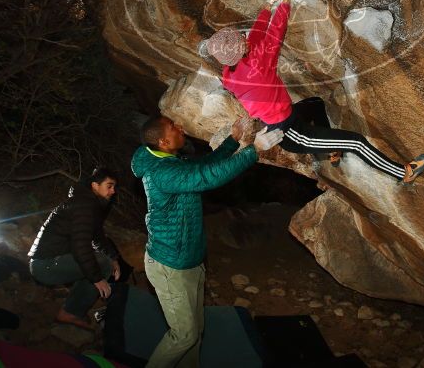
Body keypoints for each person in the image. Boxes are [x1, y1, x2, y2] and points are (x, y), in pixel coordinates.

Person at [204, 0, 424, 183]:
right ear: (239, 51)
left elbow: (255, 36)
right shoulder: (257, 67)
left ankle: (332, 148)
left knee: (316, 104)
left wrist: (268, 4)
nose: (243, 37)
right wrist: (284, 3)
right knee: (357, 142)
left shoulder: (230, 71)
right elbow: (274, 34)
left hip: (285, 116)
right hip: (290, 132)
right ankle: (403, 173)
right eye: (239, 39)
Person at [132, 115, 283, 368]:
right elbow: (207, 178)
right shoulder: (162, 172)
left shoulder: (171, 160)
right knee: (185, 335)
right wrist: (252, 151)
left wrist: (233, 140)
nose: (180, 127)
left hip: (190, 260)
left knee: (195, 331)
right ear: (163, 141)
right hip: (170, 266)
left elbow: (203, 167)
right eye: (173, 127)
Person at [27, 167, 122, 330]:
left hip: (51, 261)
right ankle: (70, 312)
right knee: (101, 265)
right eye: (109, 186)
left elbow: (97, 236)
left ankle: (73, 299)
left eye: (114, 187)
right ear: (94, 185)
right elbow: (81, 245)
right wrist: (97, 278)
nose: (113, 191)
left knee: (102, 261)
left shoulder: (89, 203)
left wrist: (114, 258)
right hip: (45, 264)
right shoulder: (84, 205)